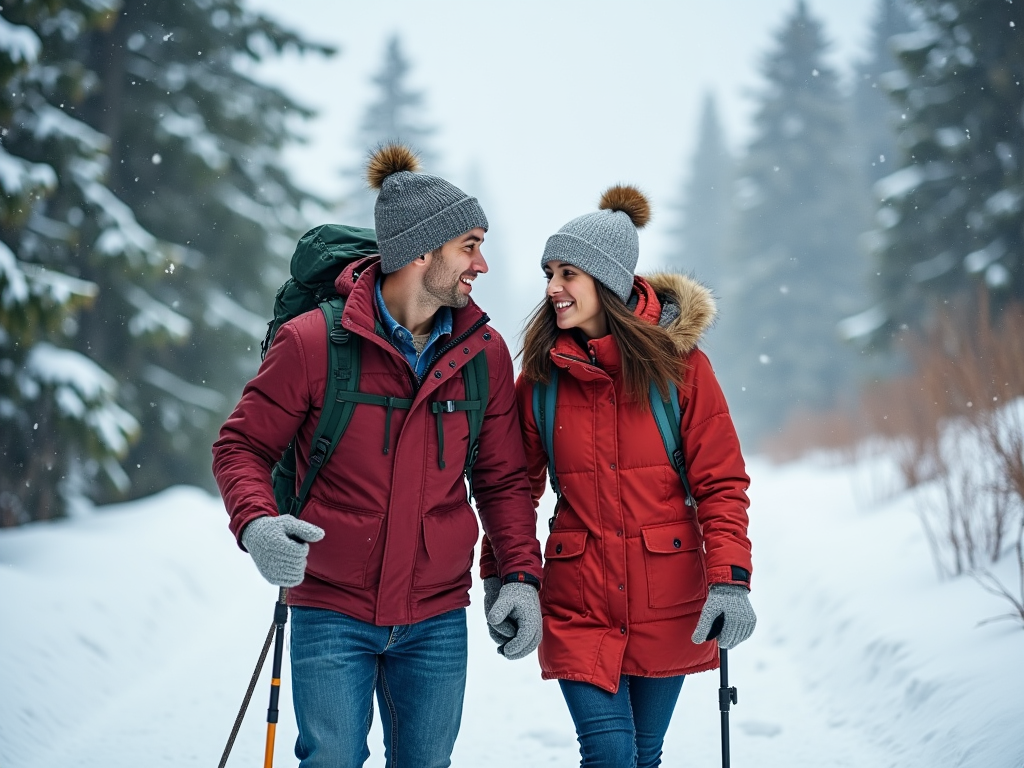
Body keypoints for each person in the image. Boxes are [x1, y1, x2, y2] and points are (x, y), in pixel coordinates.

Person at [212, 144, 543, 768]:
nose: (483, 264)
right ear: (423, 250)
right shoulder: (314, 343)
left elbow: (503, 481)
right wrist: (257, 524)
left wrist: (520, 577)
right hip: (330, 606)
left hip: (436, 616)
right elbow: (242, 445)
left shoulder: (484, 356)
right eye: (470, 245)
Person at [481, 185, 756, 768]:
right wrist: (503, 578)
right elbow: (511, 488)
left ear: (607, 281)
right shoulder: (540, 380)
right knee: (609, 753)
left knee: (644, 754)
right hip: (577, 599)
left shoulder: (682, 372)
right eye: (548, 273)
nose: (552, 288)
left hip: (668, 597)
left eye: (568, 274)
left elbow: (721, 482)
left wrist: (730, 580)